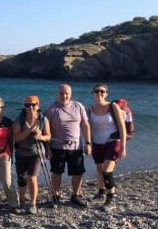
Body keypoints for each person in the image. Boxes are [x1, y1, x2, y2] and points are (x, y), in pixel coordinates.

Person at [45, 84, 91, 207]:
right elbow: (46, 130)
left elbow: (85, 124)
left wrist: (88, 142)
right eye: (61, 93)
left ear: (70, 94)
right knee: (56, 172)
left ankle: (75, 195)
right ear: (57, 94)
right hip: (57, 147)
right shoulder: (51, 109)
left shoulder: (78, 106)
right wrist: (47, 147)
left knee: (78, 172)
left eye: (66, 93)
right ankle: (55, 196)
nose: (64, 96)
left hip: (76, 147)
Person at [88, 83, 126, 212]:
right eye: (97, 91)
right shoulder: (91, 109)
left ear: (106, 93)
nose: (99, 93)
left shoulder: (113, 106)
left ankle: (110, 199)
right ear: (93, 94)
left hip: (113, 141)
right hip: (97, 142)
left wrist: (123, 147)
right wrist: (89, 143)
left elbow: (122, 127)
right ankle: (101, 191)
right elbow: (89, 128)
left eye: (102, 91)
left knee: (106, 170)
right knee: (99, 169)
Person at [12, 95, 51, 214]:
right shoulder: (20, 119)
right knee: (21, 179)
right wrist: (29, 130)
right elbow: (16, 137)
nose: (30, 107)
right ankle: (22, 202)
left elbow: (48, 136)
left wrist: (40, 136)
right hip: (21, 152)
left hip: (36, 152)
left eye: (33, 104)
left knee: (32, 177)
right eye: (28, 105)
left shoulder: (43, 119)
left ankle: (33, 203)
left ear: (38, 105)